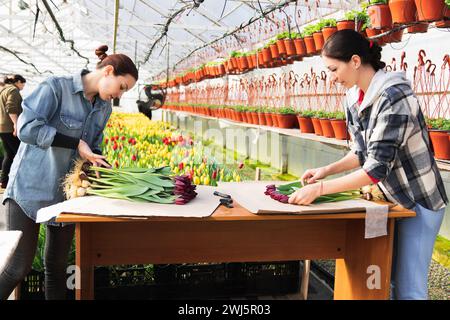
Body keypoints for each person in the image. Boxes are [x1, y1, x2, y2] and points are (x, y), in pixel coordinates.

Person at [288, 30, 447, 300]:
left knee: (410, 290)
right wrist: (325, 171)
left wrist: (320, 189)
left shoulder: (394, 96)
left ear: (355, 61)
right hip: (392, 200)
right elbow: (362, 152)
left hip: (419, 200)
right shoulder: (355, 98)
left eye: (333, 69)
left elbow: (376, 169)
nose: (331, 77)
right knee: (387, 280)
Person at [0, 45, 138, 300]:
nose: (120, 95)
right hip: (27, 190)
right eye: (122, 87)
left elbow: (93, 145)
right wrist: (75, 143)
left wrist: (97, 166)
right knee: (17, 267)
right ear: (108, 71)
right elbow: (27, 129)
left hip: (67, 195)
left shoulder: (103, 108)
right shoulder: (56, 88)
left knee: (57, 268)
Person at [0, 74, 26, 188]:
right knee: (20, 154)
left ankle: (4, 181)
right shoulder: (13, 90)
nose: (23, 86)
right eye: (23, 84)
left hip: (2, 127)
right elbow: (10, 107)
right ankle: (20, 182)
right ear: (18, 81)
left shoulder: (3, 90)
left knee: (9, 154)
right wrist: (16, 124)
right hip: (10, 127)